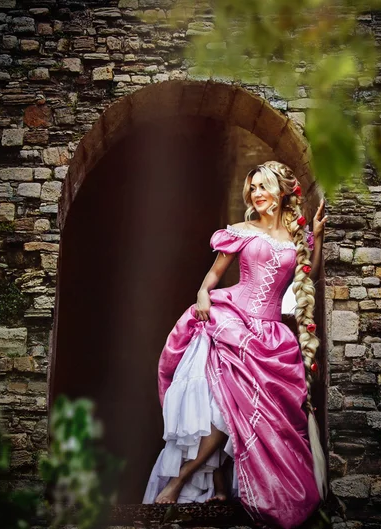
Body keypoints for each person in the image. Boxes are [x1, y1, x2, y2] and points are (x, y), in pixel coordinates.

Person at [142, 161, 329, 529]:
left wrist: (317, 238)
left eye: (263, 186)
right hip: (232, 322)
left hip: (271, 335)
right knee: (224, 407)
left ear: (281, 191)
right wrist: (201, 295)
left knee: (240, 414)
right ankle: (185, 478)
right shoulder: (240, 231)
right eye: (253, 188)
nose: (256, 193)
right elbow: (213, 275)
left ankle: (220, 484)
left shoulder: (297, 238)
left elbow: (309, 276)